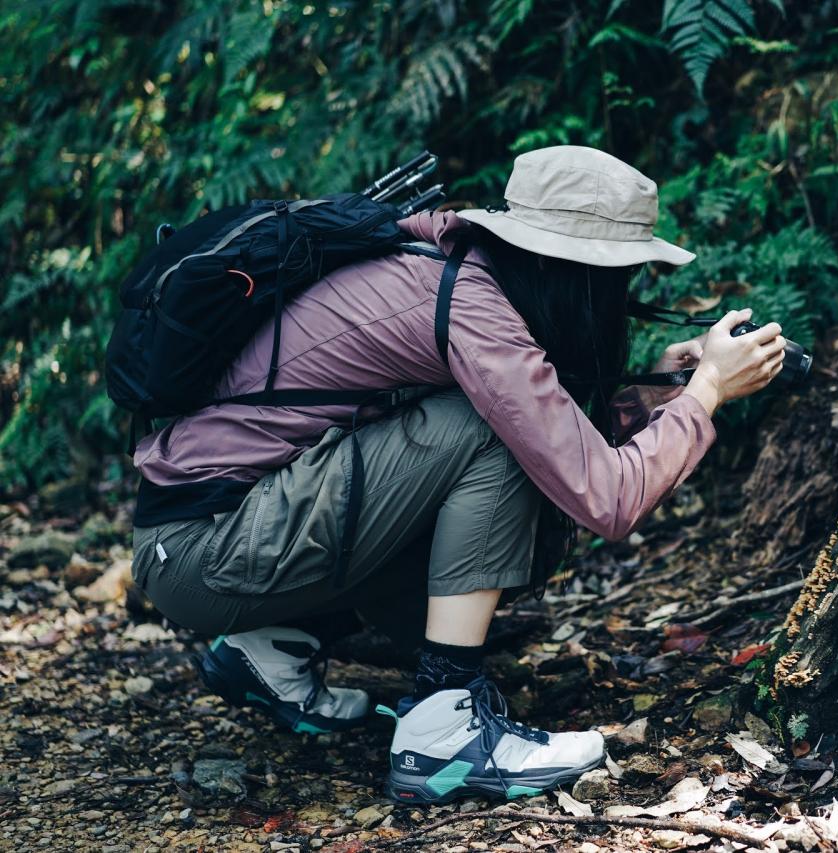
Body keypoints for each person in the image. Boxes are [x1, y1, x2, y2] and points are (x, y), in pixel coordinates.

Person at [128, 145, 786, 803]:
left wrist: (657, 395)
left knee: (510, 457)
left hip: (208, 538)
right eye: (620, 274)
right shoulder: (472, 307)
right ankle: (444, 726)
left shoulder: (456, 268)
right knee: (488, 435)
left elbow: (563, 449)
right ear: (577, 269)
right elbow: (606, 497)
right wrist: (705, 394)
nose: (622, 292)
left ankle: (272, 645)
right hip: (205, 549)